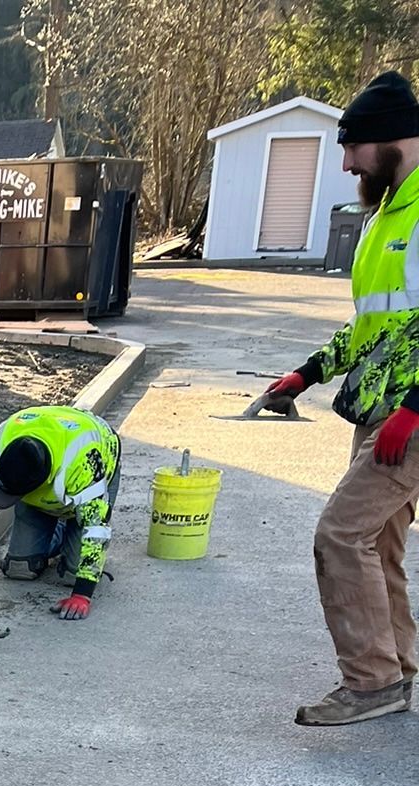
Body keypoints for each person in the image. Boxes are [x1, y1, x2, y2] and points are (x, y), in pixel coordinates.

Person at [259, 71, 419, 726]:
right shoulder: (388, 214)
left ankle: (372, 683)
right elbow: (373, 322)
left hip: (410, 413)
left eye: (352, 148)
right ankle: (397, 669)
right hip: (383, 409)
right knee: (377, 540)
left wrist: (415, 411)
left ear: (390, 141)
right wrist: (308, 371)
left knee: (338, 534)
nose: (347, 161)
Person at [0, 405, 121, 621]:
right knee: (20, 569)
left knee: (73, 575)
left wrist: (82, 595)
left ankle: (70, 525)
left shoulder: (83, 465)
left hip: (97, 455)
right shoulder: (3, 439)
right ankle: (57, 532)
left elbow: (96, 529)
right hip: (44, 480)